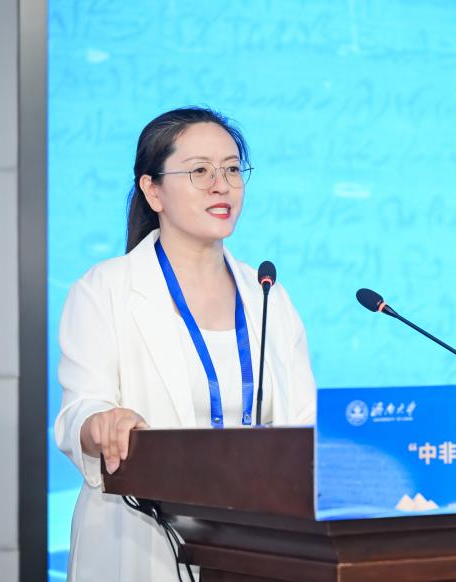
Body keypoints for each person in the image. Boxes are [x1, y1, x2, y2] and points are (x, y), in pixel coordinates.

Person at [54, 107, 317, 581]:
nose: (221, 186)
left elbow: (304, 424)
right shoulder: (105, 289)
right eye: (200, 171)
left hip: (257, 544)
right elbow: (80, 408)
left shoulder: (267, 295)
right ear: (152, 190)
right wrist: (102, 422)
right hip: (141, 542)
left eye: (232, 169)